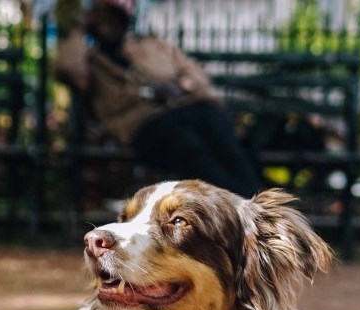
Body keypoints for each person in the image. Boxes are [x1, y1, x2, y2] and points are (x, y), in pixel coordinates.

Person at [56, 0, 262, 197]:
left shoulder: (152, 46)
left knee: (225, 140)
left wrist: (181, 86)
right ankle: (239, 207)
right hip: (144, 123)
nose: (107, 23)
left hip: (189, 106)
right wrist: (79, 29)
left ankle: (249, 205)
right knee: (190, 149)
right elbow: (67, 68)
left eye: (112, 16)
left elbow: (195, 74)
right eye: (100, 17)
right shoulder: (90, 61)